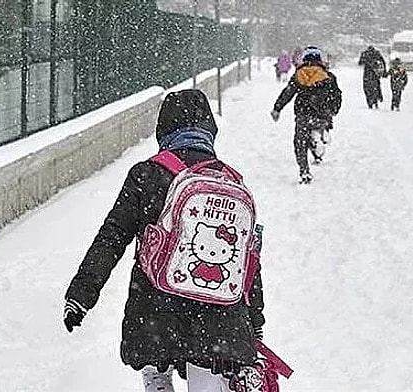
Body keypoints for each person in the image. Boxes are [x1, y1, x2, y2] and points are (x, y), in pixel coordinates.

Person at [62, 90, 266, 391]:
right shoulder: (230, 181)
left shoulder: (146, 175)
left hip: (155, 310)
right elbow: (247, 260)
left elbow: (112, 236)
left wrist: (81, 294)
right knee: (209, 379)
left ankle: (157, 379)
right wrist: (254, 320)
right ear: (209, 130)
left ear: (164, 130)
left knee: (155, 362)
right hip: (218, 319)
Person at [271, 46, 342, 184]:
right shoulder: (329, 77)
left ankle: (304, 171)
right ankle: (322, 135)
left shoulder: (299, 75)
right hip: (322, 115)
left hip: (303, 114)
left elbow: (288, 93)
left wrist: (277, 108)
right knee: (319, 129)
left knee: (300, 142)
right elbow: (337, 96)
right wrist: (333, 110)